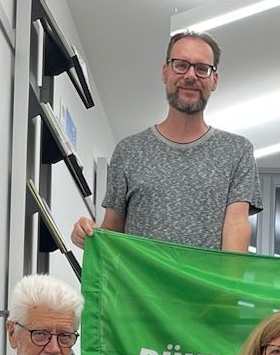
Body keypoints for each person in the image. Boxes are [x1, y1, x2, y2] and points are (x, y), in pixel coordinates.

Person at [70, 31, 261, 252]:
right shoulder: (129, 151)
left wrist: (229, 287)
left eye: (202, 69)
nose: (191, 75)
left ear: (214, 80)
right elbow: (113, 232)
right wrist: (88, 236)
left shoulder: (237, 152)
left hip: (206, 287)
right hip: (137, 287)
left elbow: (236, 225)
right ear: (165, 72)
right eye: (181, 65)